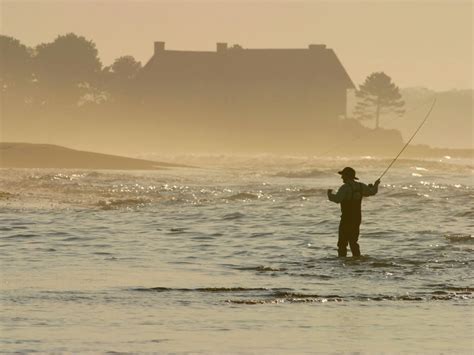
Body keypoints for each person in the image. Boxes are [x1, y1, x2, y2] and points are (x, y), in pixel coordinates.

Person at [327, 167, 380, 257]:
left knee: (342, 243)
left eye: (343, 175)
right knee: (353, 241)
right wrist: (376, 184)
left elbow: (337, 199)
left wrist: (329, 194)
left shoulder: (345, 188)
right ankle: (356, 260)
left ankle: (342, 260)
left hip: (346, 218)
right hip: (357, 218)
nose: (341, 177)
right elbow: (372, 192)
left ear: (347, 176)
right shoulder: (361, 186)